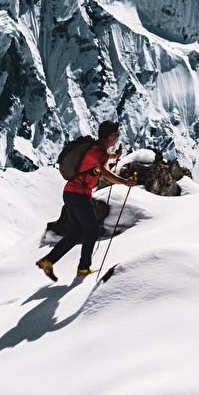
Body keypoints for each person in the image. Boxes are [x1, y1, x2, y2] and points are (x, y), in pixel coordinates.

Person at [37, 120, 136, 281]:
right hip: (78, 195)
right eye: (117, 134)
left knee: (78, 232)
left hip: (71, 193)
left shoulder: (96, 148)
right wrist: (125, 182)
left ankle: (48, 261)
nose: (117, 138)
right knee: (93, 230)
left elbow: (102, 158)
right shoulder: (99, 152)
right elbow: (105, 172)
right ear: (111, 136)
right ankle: (83, 268)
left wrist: (114, 156)